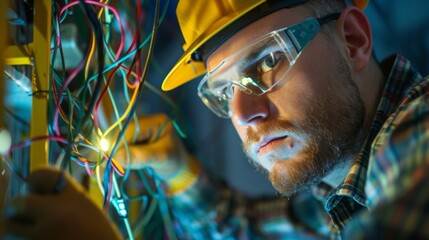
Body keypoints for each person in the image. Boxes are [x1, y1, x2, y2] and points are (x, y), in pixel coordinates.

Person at [1, 0, 429, 239]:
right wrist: (182, 175)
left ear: (353, 40)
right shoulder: (346, 193)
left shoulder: (419, 136)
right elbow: (251, 231)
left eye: (266, 62)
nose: (242, 115)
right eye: (224, 92)